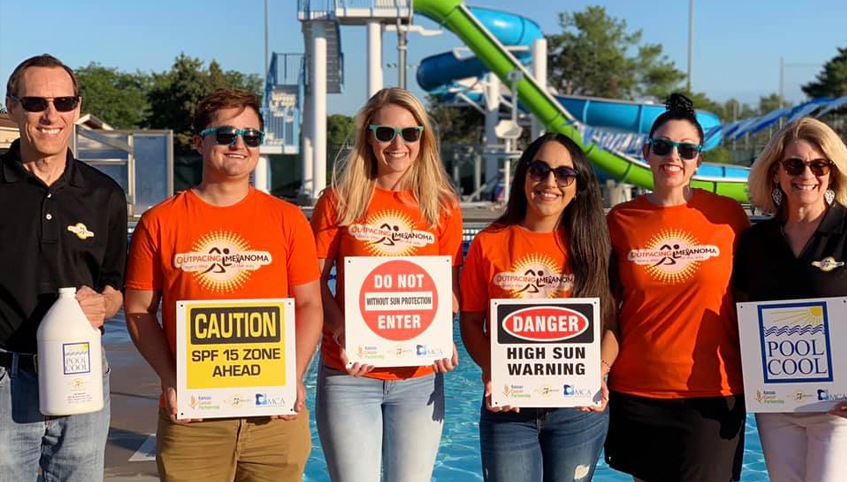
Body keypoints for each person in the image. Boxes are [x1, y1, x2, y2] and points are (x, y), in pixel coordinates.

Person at [124, 89, 322, 482]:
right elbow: (138, 310)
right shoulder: (160, 222)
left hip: (273, 417)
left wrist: (293, 375)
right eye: (226, 134)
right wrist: (170, 377)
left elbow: (309, 306)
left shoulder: (288, 220)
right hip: (194, 417)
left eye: (251, 136)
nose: (239, 145)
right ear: (199, 141)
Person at [310, 87, 463, 482]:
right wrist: (341, 328)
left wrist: (443, 329)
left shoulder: (442, 206)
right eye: (386, 133)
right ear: (369, 137)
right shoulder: (339, 200)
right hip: (350, 374)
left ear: (423, 139)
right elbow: (311, 283)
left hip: (419, 378)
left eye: (410, 134)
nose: (398, 144)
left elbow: (450, 293)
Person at [604, 93, 750, 482]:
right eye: (663, 146)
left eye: (686, 150)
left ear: (699, 160)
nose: (674, 157)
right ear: (646, 152)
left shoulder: (727, 216)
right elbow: (605, 310)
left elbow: (762, 289)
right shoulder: (620, 220)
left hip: (711, 394)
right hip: (636, 391)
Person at [459, 133, 615, 482]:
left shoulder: (593, 245)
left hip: (576, 411)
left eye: (564, 174)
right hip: (509, 410)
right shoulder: (489, 243)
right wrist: (494, 371)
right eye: (539, 170)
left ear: (578, 186)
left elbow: (611, 324)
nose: (549, 182)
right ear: (523, 176)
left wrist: (599, 371)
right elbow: (470, 322)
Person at [0, 54, 127, 481]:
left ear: (77, 107)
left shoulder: (104, 194)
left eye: (64, 102)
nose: (51, 114)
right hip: (5, 380)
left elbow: (115, 284)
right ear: (12, 105)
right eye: (36, 102)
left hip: (83, 373)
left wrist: (103, 305)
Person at [733, 117, 847, 482]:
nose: (807, 175)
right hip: (776, 407)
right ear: (776, 173)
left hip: (838, 408)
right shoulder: (755, 242)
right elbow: (740, 314)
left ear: (832, 173)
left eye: (819, 165)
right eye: (795, 165)